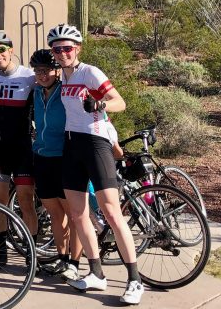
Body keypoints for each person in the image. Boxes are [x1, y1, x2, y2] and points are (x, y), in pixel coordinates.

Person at [47, 23, 143, 305]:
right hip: (71, 144)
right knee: (78, 215)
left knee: (112, 213)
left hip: (95, 143)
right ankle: (96, 274)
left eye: (67, 48)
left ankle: (135, 280)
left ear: (77, 49)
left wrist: (99, 105)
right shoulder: (62, 78)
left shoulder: (90, 72)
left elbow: (119, 102)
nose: (62, 52)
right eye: (57, 49)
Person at [0, 31, 38, 265]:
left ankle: (31, 251)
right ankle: (1, 248)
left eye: (1, 50)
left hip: (23, 148)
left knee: (26, 199)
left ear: (11, 50)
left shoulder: (30, 76)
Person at [28, 48, 83, 281]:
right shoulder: (36, 94)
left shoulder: (66, 92)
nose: (43, 75)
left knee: (73, 214)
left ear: (57, 71)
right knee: (54, 213)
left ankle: (75, 262)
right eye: (38, 71)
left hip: (65, 157)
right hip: (42, 157)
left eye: (47, 70)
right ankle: (61, 259)